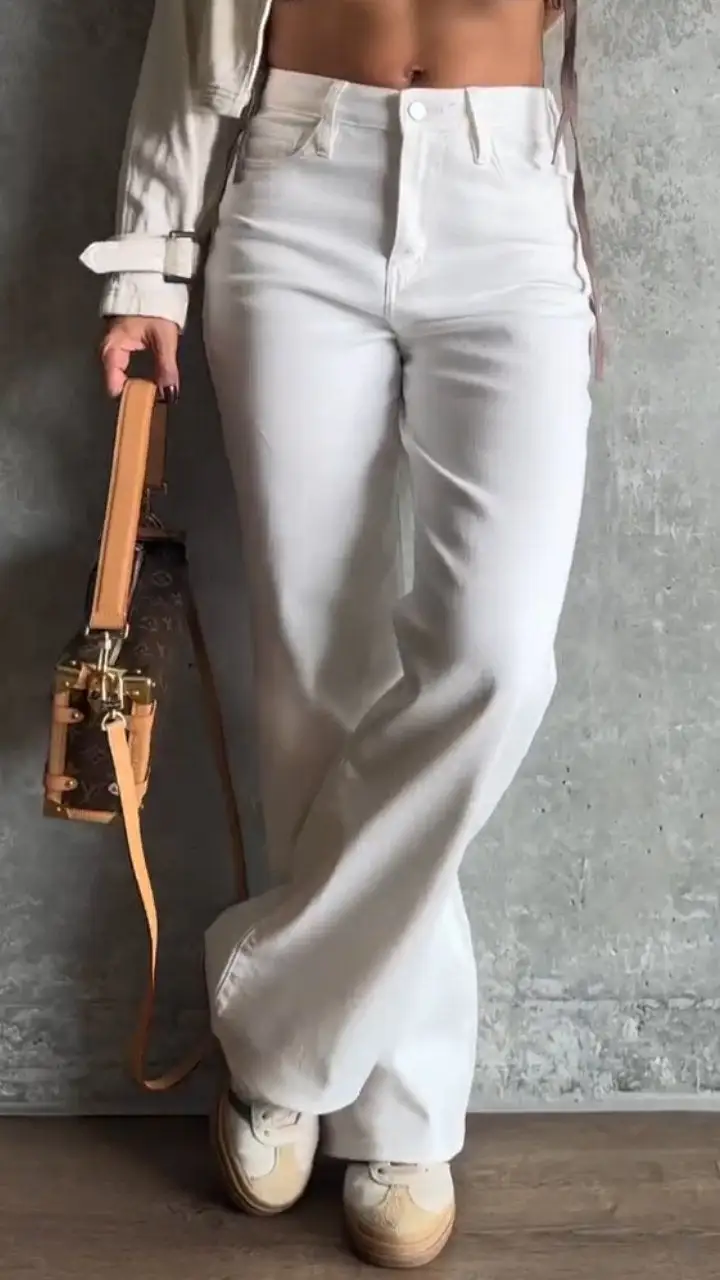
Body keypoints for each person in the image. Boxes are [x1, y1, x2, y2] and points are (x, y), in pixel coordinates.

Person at [84, 0, 599, 1267]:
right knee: (318, 677)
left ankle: (275, 1029)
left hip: (504, 193)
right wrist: (151, 259)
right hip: (298, 182)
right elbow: (191, 28)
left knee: (497, 662)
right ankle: (400, 1114)